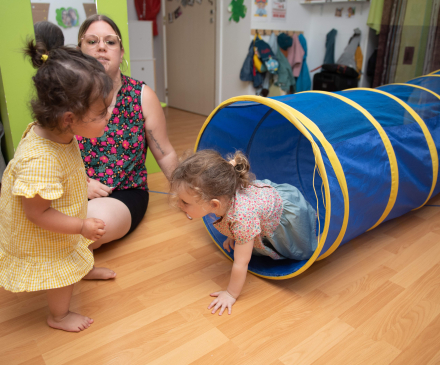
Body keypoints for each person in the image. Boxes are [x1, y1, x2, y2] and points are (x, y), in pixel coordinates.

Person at [0, 40, 115, 332]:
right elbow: (36, 214)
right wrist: (80, 226)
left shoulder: (59, 132)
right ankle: (59, 316)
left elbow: (66, 171)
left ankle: (84, 270)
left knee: (78, 248)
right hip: (44, 232)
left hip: (65, 213)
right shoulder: (40, 160)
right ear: (69, 119)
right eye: (101, 113)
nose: (109, 116)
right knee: (60, 270)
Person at [170, 150, 318, 315]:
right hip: (260, 204)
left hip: (289, 216)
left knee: (300, 244)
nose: (179, 204)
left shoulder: (241, 219)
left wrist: (231, 294)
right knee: (245, 230)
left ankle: (311, 219)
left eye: (184, 202)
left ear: (214, 205)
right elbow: (229, 215)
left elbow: (241, 263)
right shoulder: (224, 199)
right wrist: (230, 234)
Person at [77, 15, 177, 254]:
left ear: (121, 53)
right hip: (72, 191)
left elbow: (165, 153)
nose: (101, 46)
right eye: (92, 41)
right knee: (33, 214)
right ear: (79, 51)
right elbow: (50, 153)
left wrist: (187, 192)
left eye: (110, 42)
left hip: (124, 194)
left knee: (92, 225)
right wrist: (80, 185)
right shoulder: (68, 96)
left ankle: (72, 259)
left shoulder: (142, 96)